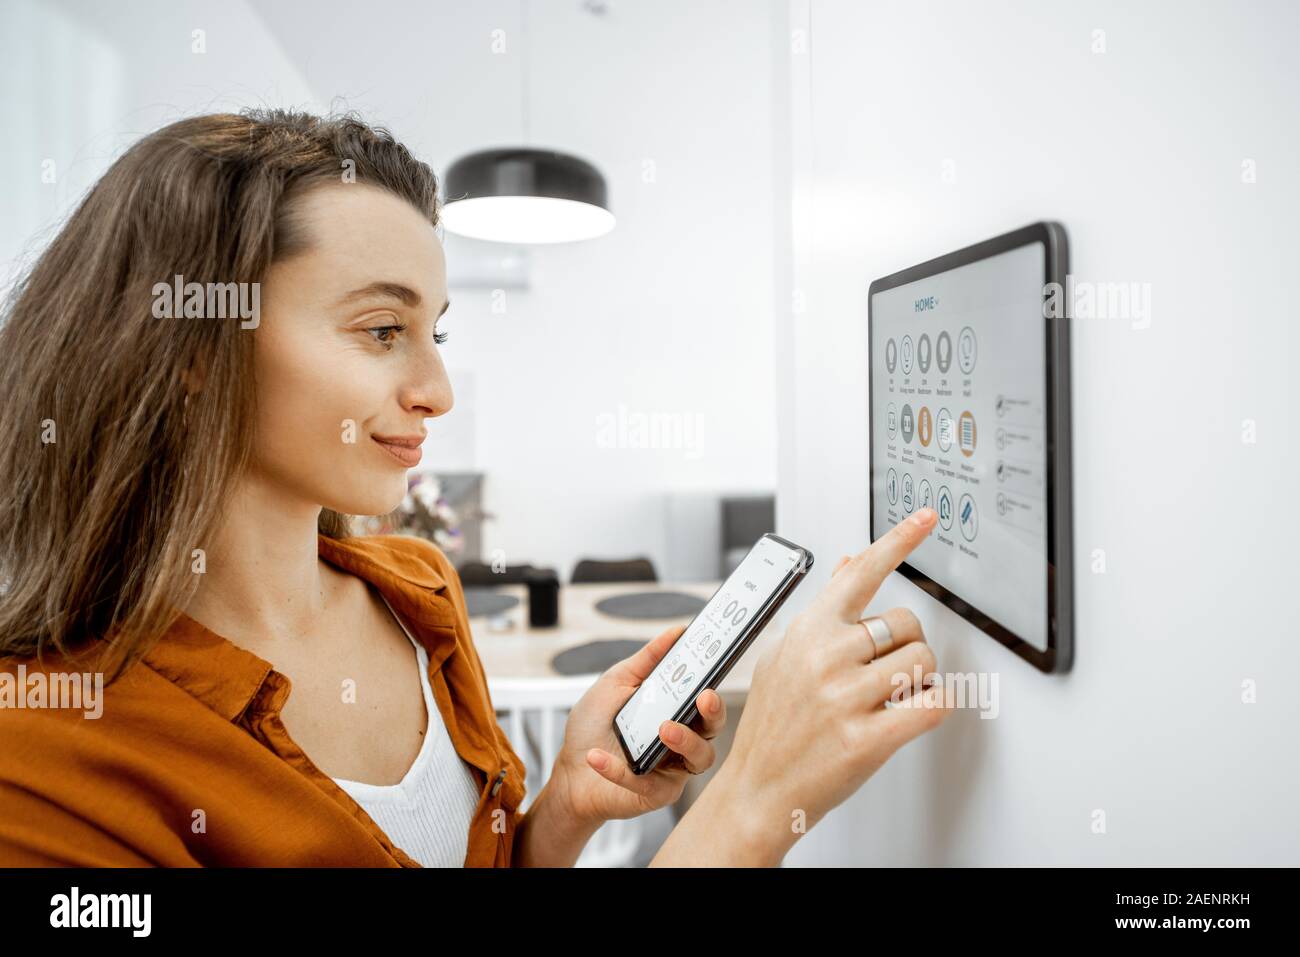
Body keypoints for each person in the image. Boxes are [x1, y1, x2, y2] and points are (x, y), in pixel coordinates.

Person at [0, 109, 950, 867]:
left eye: (436, 334)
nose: (437, 391)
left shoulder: (416, 592)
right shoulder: (42, 758)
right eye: (382, 330)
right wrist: (751, 805)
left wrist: (565, 812)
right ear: (196, 350)